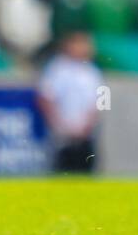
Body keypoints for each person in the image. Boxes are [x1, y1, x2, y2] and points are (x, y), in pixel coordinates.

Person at [36, 31, 103, 174]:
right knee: (63, 171)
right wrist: (59, 123)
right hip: (63, 133)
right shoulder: (57, 69)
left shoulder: (93, 71)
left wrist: (88, 124)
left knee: (86, 171)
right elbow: (45, 97)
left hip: (86, 133)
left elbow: (101, 102)